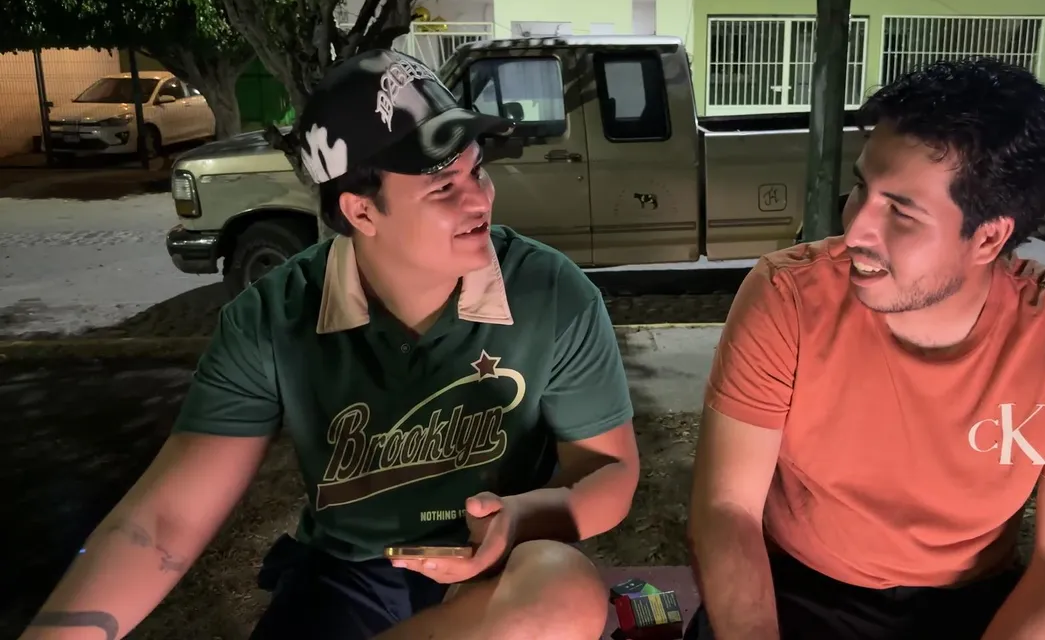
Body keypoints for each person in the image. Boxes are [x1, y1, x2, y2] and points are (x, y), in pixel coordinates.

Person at [22, 49, 639, 640]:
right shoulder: (275, 317)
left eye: (476, 169)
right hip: (346, 578)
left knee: (565, 593)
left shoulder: (549, 292)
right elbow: (165, 520)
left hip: (503, 576)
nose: (479, 199)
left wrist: (525, 517)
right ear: (361, 212)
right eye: (442, 187)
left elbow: (609, 469)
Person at [686, 57, 1045, 640]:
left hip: (972, 603)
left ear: (989, 237)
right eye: (861, 188)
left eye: (900, 210)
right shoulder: (788, 295)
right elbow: (727, 510)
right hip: (798, 586)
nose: (855, 230)